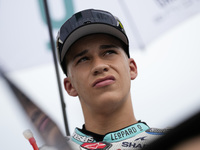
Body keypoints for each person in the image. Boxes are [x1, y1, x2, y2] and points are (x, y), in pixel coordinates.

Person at [55, 9, 168, 150]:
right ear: (69, 86)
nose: (99, 66)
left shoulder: (181, 143)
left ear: (131, 68)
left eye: (109, 52)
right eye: (83, 59)